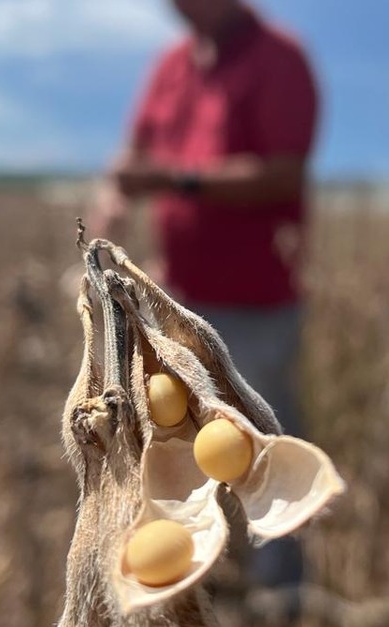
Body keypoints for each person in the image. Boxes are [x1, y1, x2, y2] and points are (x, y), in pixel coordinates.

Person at [86, 0, 318, 610]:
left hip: (256, 303)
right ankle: (212, 586)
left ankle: (280, 600)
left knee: (264, 451)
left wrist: (174, 180)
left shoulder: (279, 60)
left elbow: (283, 175)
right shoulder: (170, 66)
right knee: (170, 450)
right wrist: (110, 205)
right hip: (174, 305)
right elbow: (129, 160)